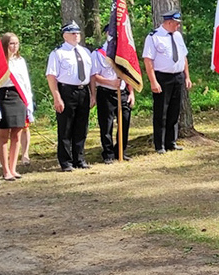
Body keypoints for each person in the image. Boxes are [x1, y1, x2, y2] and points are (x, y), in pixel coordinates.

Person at [46, 21, 95, 172]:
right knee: (66, 127)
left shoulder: (86, 52)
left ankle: (79, 159)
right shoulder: (58, 53)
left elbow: (92, 75)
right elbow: (51, 76)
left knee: (81, 127)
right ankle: (66, 161)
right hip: (66, 91)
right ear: (65, 35)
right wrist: (57, 97)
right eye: (73, 33)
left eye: (78, 33)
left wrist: (93, 94)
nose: (76, 36)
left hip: (83, 91)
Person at [143, 10, 192, 154]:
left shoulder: (177, 36)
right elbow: (148, 60)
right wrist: (153, 81)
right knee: (161, 112)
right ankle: (160, 145)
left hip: (178, 77)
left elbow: (184, 57)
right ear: (169, 22)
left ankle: (171, 141)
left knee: (174, 111)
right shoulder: (154, 37)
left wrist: (187, 77)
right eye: (176, 23)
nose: (178, 26)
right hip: (162, 78)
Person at [0, 33, 33, 180]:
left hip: (19, 97)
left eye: (17, 43)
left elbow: (26, 83)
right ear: (4, 45)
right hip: (3, 96)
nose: (15, 46)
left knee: (17, 134)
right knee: (3, 135)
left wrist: (29, 103)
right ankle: (5, 170)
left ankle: (13, 168)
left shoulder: (20, 60)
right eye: (11, 44)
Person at [93, 25, 135, 163]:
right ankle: (108, 153)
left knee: (125, 121)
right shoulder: (98, 54)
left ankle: (121, 151)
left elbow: (129, 74)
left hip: (122, 92)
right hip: (105, 92)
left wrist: (131, 92)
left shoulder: (123, 54)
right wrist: (111, 83)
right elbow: (94, 76)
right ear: (106, 34)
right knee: (107, 124)